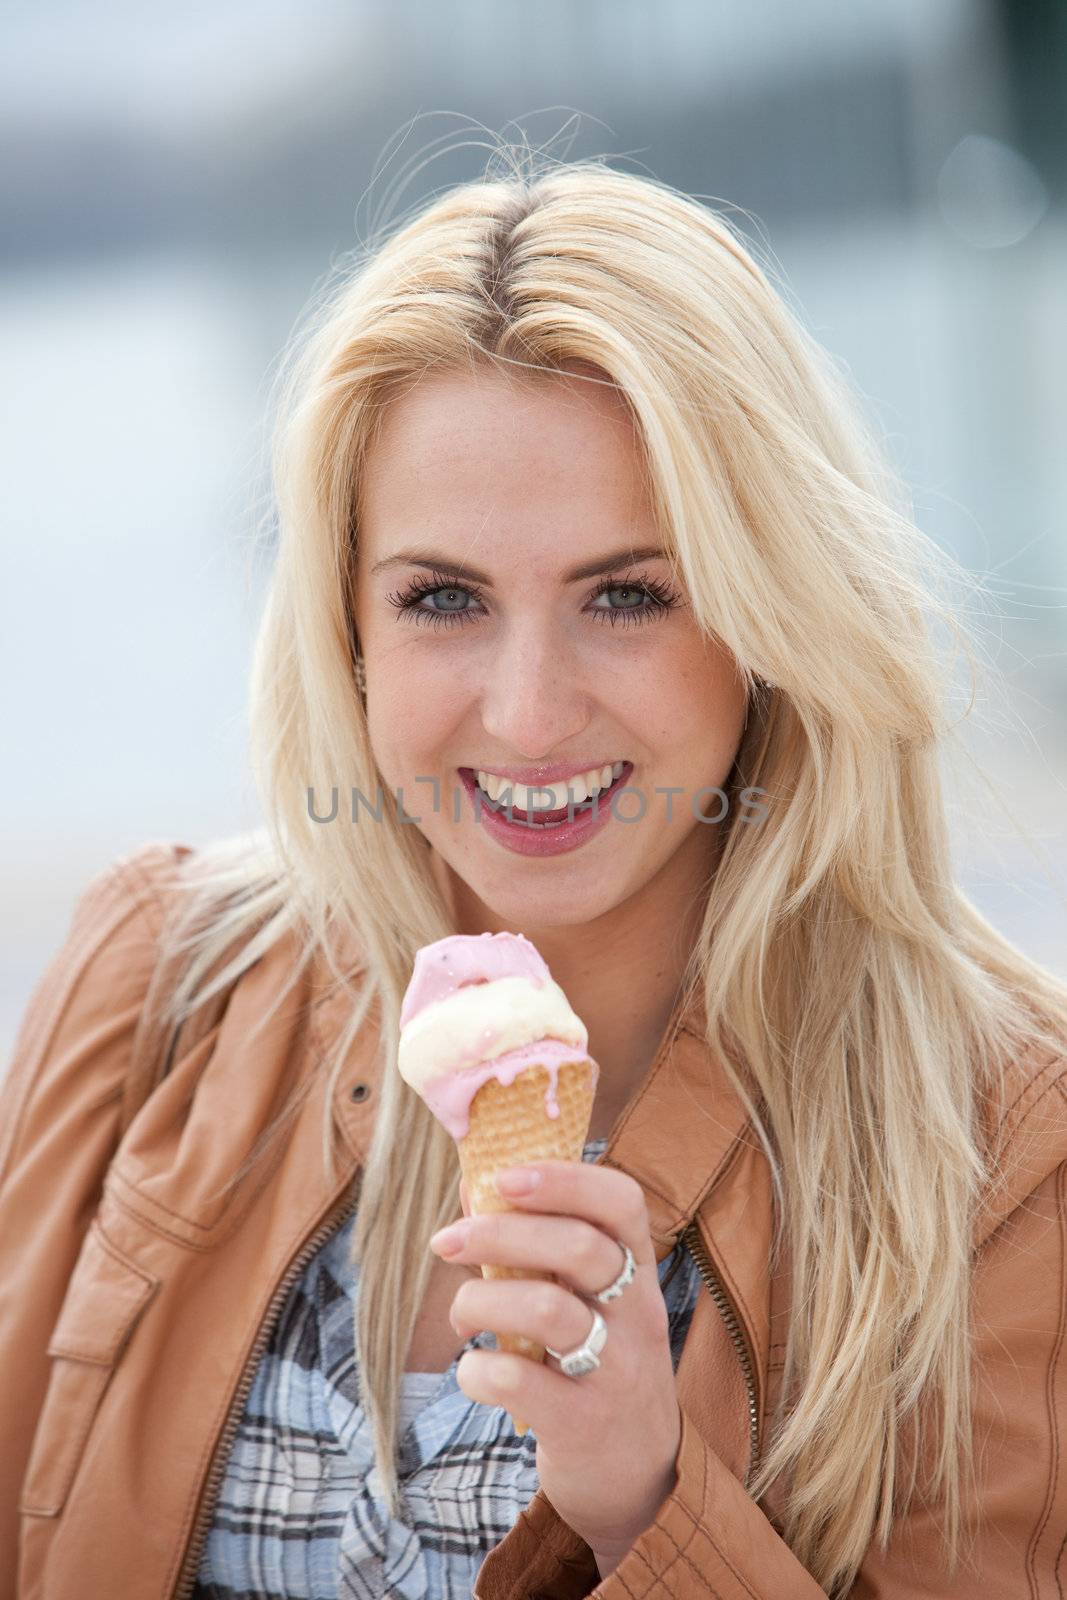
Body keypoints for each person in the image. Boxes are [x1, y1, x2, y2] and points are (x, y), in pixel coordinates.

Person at [2, 147, 1066, 1600]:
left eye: (627, 595)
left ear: (771, 616)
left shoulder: (1002, 1143)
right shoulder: (158, 982)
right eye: (443, 599)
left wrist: (647, 1505)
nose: (525, 714)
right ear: (347, 628)